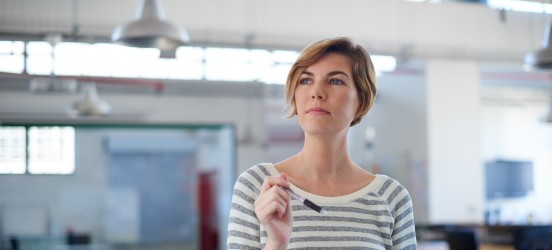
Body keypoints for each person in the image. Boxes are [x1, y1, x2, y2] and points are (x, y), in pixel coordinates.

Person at [227, 37, 417, 249]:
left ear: (361, 101)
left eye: (336, 81)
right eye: (306, 80)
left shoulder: (391, 197)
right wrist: (276, 242)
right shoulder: (257, 186)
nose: (316, 92)